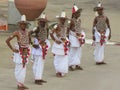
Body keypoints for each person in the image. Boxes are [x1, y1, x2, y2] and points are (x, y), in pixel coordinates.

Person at [6, 15, 31, 90]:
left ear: (26, 25)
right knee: (19, 68)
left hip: (25, 53)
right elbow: (7, 41)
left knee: (23, 68)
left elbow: (29, 40)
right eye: (22, 24)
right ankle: (19, 84)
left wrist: (29, 46)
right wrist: (13, 49)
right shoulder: (16, 32)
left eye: (24, 24)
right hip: (19, 53)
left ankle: (21, 84)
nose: (23, 25)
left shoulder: (27, 32)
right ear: (20, 25)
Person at [30, 13, 51, 85]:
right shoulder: (37, 28)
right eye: (41, 21)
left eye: (44, 21)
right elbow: (29, 33)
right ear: (39, 21)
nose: (42, 22)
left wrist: (45, 43)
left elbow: (47, 36)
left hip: (43, 46)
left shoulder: (47, 27)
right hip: (37, 45)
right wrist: (32, 44)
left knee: (41, 62)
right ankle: (36, 78)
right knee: (37, 62)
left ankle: (39, 77)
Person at [50, 11, 69, 77]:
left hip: (64, 43)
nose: (63, 20)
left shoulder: (66, 26)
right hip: (58, 44)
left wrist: (67, 41)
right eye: (62, 19)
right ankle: (57, 71)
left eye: (64, 19)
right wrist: (55, 40)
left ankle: (62, 70)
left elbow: (66, 34)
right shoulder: (56, 26)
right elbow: (51, 33)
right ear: (60, 19)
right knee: (57, 58)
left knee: (64, 57)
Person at [68, 4, 85, 71]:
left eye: (79, 13)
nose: (79, 14)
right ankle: (70, 65)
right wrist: (68, 39)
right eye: (77, 13)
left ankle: (77, 64)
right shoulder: (71, 20)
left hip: (79, 37)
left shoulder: (79, 20)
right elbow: (68, 30)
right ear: (74, 14)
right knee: (72, 51)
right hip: (73, 36)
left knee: (78, 51)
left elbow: (79, 28)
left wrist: (82, 36)